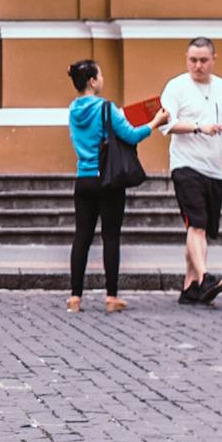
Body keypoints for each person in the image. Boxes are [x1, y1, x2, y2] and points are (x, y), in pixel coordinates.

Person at [66, 59, 167, 313]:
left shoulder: (73, 109)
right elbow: (131, 135)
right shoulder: (106, 108)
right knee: (110, 237)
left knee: (82, 238)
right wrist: (155, 122)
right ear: (92, 81)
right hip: (108, 180)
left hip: (84, 179)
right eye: (99, 75)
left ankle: (75, 298)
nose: (102, 79)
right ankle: (111, 297)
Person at [160, 37, 222, 306]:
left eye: (203, 60)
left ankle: (189, 287)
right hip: (185, 165)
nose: (198, 65)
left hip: (214, 169)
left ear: (214, 59)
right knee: (196, 224)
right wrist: (198, 126)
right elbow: (166, 123)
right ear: (186, 59)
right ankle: (205, 277)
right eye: (193, 60)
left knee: (201, 229)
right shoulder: (176, 86)